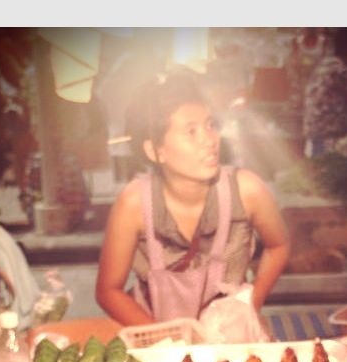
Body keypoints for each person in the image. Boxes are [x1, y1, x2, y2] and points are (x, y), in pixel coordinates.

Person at [95, 71, 290, 328]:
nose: (210, 140)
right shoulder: (134, 204)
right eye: (191, 131)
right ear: (156, 151)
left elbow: (279, 246)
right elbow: (108, 291)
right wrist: (165, 340)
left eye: (210, 125)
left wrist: (251, 305)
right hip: (158, 340)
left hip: (230, 339)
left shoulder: (247, 190)